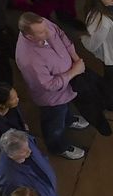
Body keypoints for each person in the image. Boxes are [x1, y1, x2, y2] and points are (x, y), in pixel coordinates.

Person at [14, 13, 91, 160]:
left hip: (66, 88)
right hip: (52, 99)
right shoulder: (28, 59)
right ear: (30, 37)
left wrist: (75, 59)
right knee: (54, 123)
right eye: (42, 32)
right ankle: (58, 146)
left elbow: (61, 35)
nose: (48, 32)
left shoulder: (42, 24)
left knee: (65, 109)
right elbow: (49, 85)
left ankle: (68, 120)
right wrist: (74, 71)